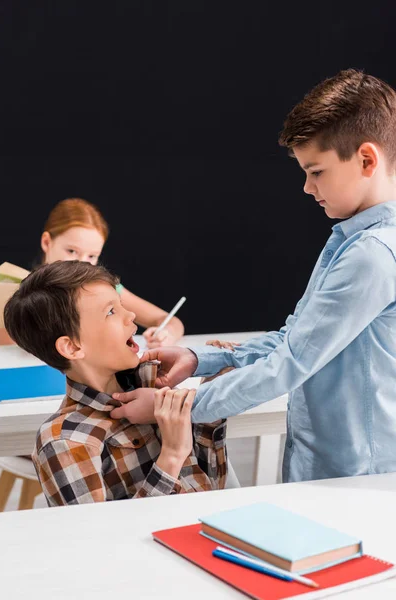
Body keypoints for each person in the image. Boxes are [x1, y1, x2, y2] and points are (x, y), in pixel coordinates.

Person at [111, 68, 396, 484]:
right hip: (334, 470)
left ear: (367, 159)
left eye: (316, 171)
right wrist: (200, 358)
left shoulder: (372, 255)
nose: (306, 187)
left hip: (355, 478)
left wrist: (169, 405)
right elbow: (295, 338)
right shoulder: (351, 240)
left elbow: (292, 363)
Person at [3, 260, 227, 506]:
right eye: (111, 311)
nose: (131, 315)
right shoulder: (64, 442)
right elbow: (99, 541)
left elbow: (210, 488)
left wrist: (216, 391)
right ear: (73, 347)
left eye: (121, 305)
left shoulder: (153, 386)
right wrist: (171, 457)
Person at [0, 197, 184, 348]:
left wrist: (166, 334)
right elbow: (14, 356)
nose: (81, 263)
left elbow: (170, 321)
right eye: (71, 251)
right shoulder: (17, 293)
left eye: (92, 256)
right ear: (47, 242)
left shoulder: (106, 290)